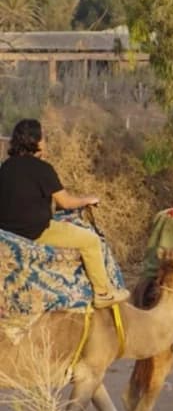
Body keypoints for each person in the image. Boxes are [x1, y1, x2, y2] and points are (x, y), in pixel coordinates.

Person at [0, 118, 130, 307]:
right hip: (36, 232)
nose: (45, 141)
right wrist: (88, 199)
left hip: (8, 233)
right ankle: (103, 293)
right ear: (35, 141)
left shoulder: (5, 167)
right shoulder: (43, 169)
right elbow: (66, 202)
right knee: (90, 241)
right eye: (43, 137)